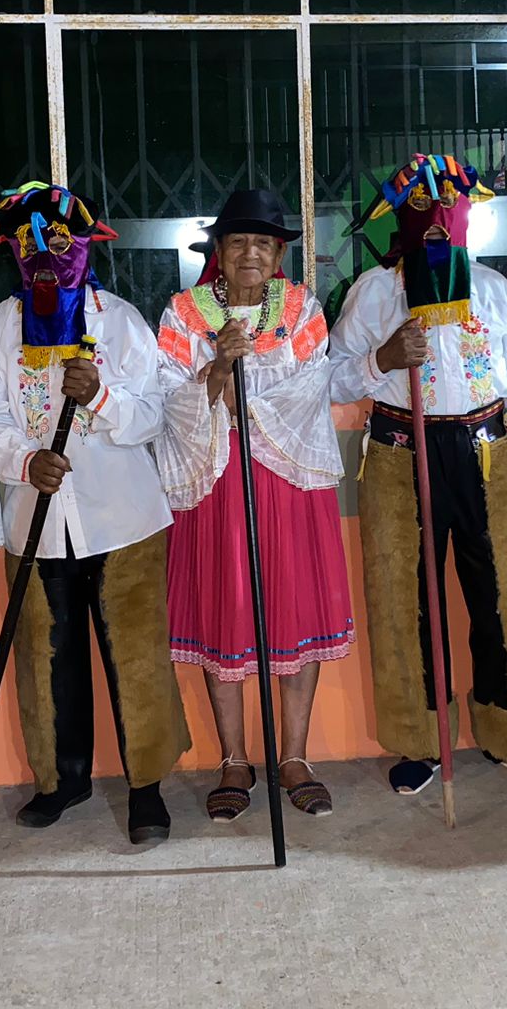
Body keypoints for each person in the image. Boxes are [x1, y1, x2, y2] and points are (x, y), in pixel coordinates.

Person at [0, 183, 190, 845]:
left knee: (135, 656)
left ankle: (146, 786)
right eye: (30, 241)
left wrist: (101, 396)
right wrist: (23, 459)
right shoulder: (0, 325)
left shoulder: (118, 319)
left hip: (124, 520)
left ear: (84, 246)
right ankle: (61, 778)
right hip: (34, 523)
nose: (45, 253)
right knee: (46, 656)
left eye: (60, 240)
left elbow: (154, 416)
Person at [329, 154, 507, 796]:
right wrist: (383, 358)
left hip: (488, 453)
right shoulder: (374, 292)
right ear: (401, 215)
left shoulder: (494, 289)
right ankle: (420, 739)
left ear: (466, 213)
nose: (435, 217)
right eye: (421, 206)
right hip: (402, 452)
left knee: (504, 597)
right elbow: (332, 379)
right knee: (405, 599)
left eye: (447, 204)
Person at [156, 189, 353, 821]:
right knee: (227, 610)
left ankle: (293, 757)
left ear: (277, 254)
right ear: (218, 249)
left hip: (287, 479)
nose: (250, 253)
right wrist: (217, 371)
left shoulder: (302, 308)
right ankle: (234, 759)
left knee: (293, 612)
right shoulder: (184, 313)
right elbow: (167, 396)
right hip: (215, 481)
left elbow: (312, 384)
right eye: (238, 241)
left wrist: (249, 405)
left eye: (263, 243)